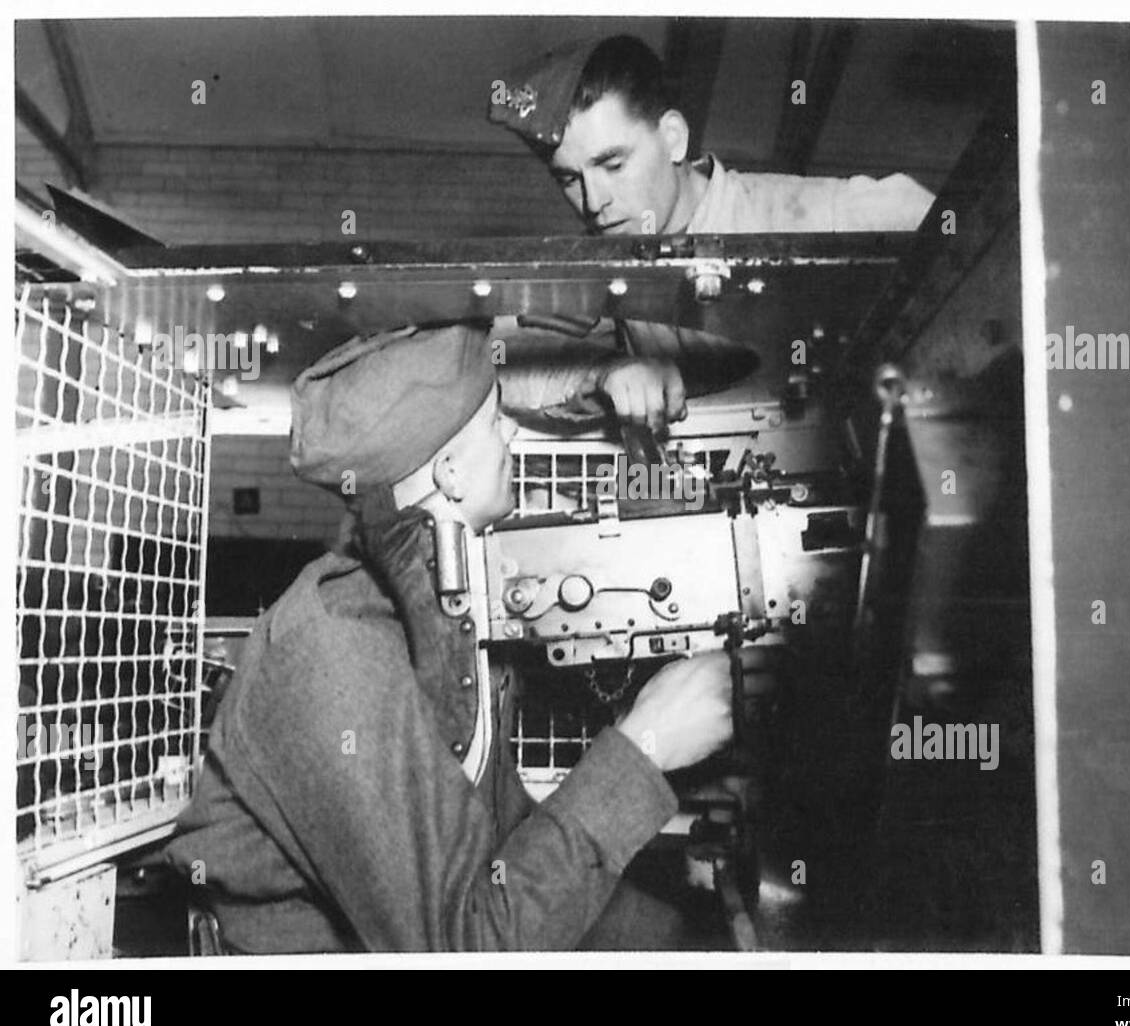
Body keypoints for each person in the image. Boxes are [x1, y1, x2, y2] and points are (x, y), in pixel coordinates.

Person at [165, 323, 732, 952]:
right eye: (497, 422)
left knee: (678, 937)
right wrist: (644, 745)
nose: (512, 433)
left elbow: (501, 854)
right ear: (452, 472)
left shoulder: (449, 604)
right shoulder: (329, 656)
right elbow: (461, 947)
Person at [488, 34, 936, 236]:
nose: (593, 202)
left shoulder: (804, 213)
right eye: (569, 179)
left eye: (613, 164)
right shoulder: (604, 263)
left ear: (674, 138)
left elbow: (953, 229)